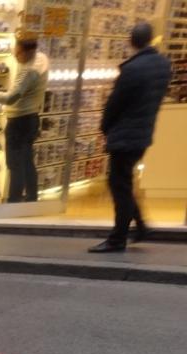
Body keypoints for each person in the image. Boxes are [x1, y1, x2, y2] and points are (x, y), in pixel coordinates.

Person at [89, 22, 172, 253]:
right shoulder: (163, 65)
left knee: (119, 185)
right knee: (123, 181)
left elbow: (114, 104)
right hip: (143, 131)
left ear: (131, 41)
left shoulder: (132, 69)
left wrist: (105, 127)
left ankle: (118, 238)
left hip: (125, 134)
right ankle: (141, 226)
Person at [0, 36, 48, 203]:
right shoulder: (41, 58)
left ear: (27, 52)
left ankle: (14, 201)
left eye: (17, 53)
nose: (15, 56)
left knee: (15, 164)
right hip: (31, 118)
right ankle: (31, 198)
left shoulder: (28, 71)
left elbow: (10, 98)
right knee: (26, 161)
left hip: (19, 121)